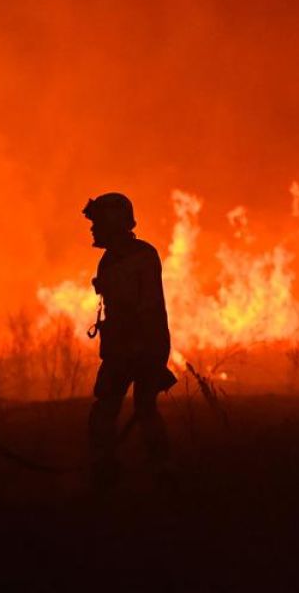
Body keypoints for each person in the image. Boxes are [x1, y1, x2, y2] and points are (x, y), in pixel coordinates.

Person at [83, 192, 177, 490]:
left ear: (113, 222)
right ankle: (106, 470)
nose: (93, 229)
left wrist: (149, 355)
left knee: (143, 409)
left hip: (140, 348)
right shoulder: (110, 260)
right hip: (121, 350)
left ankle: (162, 471)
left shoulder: (141, 257)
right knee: (107, 410)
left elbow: (146, 308)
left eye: (98, 222)